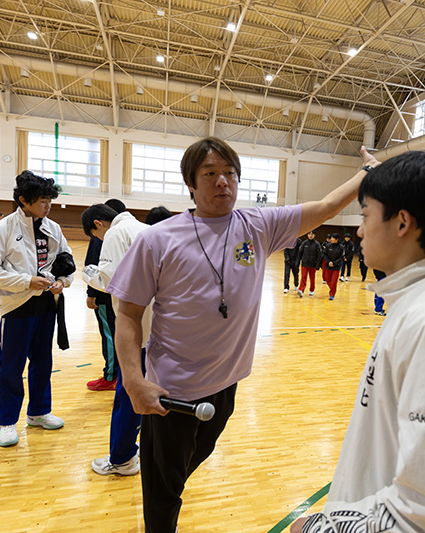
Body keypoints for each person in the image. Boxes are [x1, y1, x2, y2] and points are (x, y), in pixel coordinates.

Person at [106, 137, 380, 532]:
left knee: (183, 469)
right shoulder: (157, 239)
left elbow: (324, 207)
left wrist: (366, 174)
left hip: (226, 385)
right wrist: (134, 381)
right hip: (172, 394)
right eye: (210, 173)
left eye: (230, 173)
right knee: (163, 492)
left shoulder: (258, 225)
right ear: (190, 183)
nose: (223, 181)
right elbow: (128, 314)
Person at [290, 150, 425, 533]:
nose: (359, 231)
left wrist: (320, 530)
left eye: (365, 216)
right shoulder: (415, 303)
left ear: (402, 222)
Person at [0, 170, 73, 447]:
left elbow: (66, 260)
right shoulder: (3, 229)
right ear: (23, 200)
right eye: (42, 201)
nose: (48, 206)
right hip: (17, 306)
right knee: (11, 366)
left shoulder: (53, 228)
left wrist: (62, 281)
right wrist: (26, 281)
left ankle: (39, 412)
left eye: (50, 201)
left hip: (47, 305)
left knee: (43, 363)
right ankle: (7, 422)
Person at [81, 203, 152, 476]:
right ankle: (146, 447)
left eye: (95, 236)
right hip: (160, 327)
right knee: (152, 389)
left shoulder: (114, 233)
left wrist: (88, 274)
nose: (98, 239)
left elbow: (111, 279)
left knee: (128, 391)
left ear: (98, 224)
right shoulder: (146, 228)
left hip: (136, 326)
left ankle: (122, 459)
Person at [84, 198, 128, 392]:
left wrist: (91, 293)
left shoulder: (104, 235)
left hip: (105, 295)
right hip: (124, 296)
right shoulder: (128, 231)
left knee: (109, 335)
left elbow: (93, 265)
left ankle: (111, 375)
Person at [297, 231, 322, 297]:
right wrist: (298, 262)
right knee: (303, 277)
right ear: (307, 235)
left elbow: (319, 255)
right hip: (304, 264)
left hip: (313, 264)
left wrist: (318, 264)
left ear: (314, 235)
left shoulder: (317, 244)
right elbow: (300, 253)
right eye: (309, 234)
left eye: (312, 234)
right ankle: (301, 290)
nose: (310, 235)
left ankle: (312, 290)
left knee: (312, 278)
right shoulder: (304, 243)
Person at [322, 233, 344, 300]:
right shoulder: (328, 246)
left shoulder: (341, 247)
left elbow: (341, 257)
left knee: (334, 281)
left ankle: (332, 294)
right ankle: (332, 289)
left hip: (336, 267)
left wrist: (334, 263)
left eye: (333, 238)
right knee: (328, 280)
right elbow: (324, 254)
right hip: (328, 266)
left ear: (337, 239)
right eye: (331, 238)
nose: (331, 239)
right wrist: (328, 262)